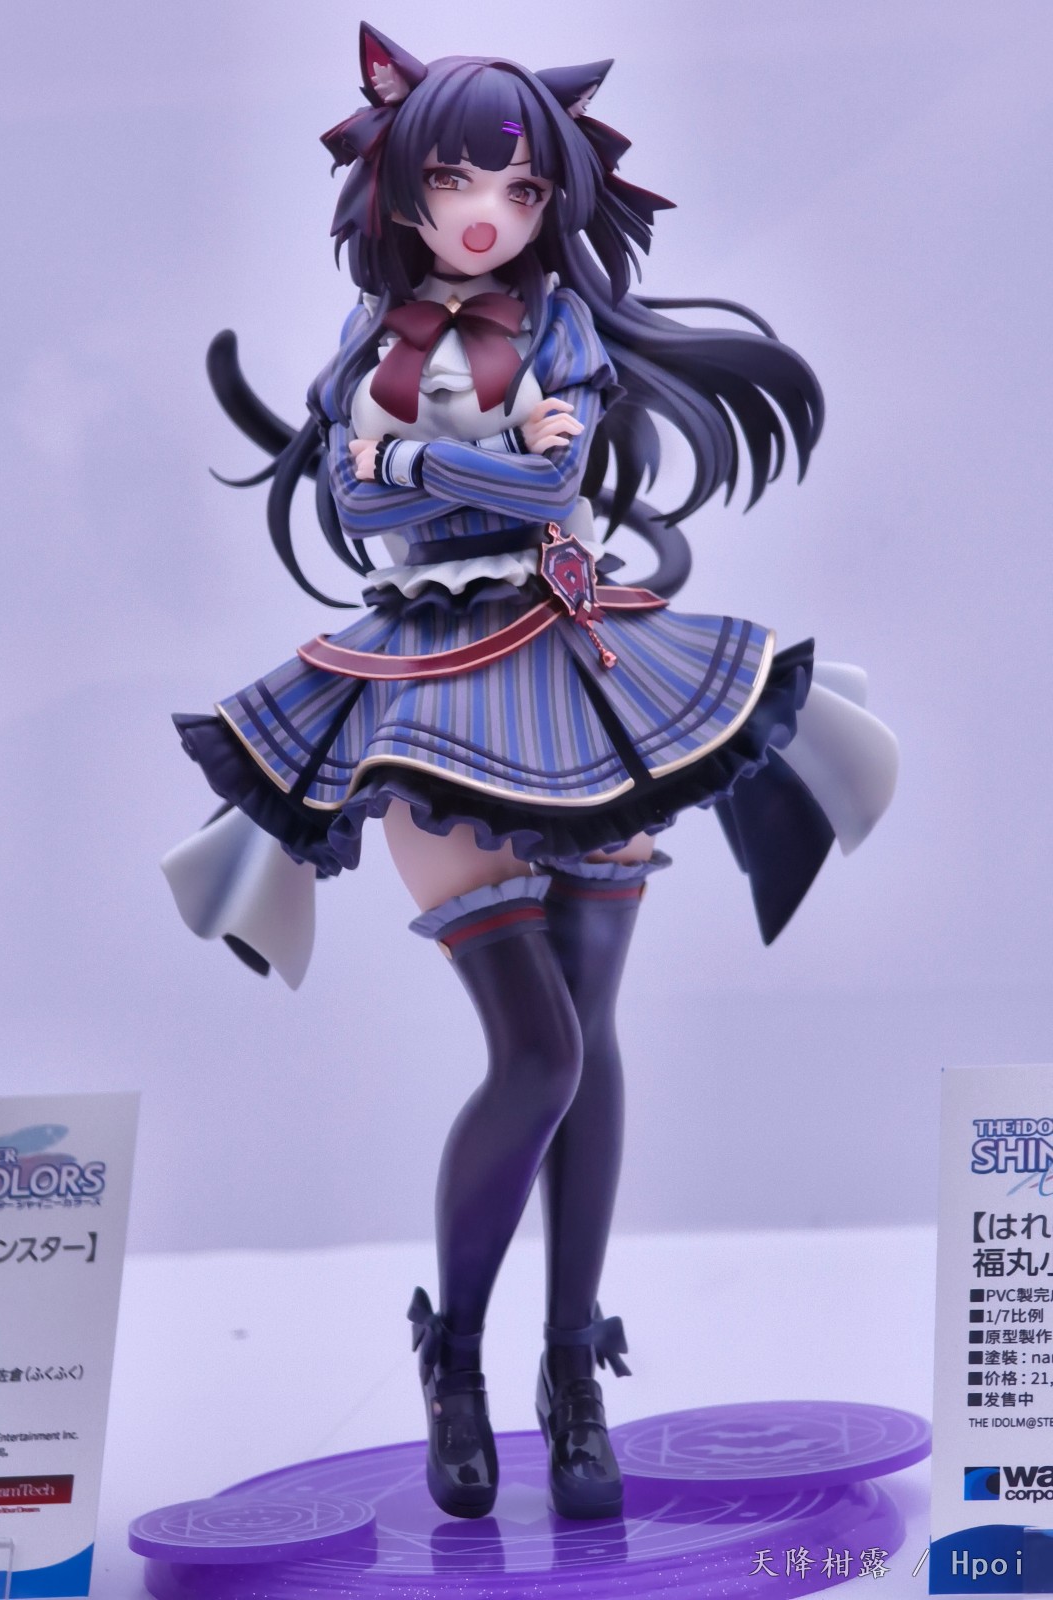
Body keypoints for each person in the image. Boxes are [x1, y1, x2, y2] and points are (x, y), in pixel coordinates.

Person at [169, 24, 897, 1522]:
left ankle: (575, 1371)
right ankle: (457, 1364)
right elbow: (365, 504)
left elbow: (547, 482)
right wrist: (457, 465)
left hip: (584, 676)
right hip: (430, 699)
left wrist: (419, 462)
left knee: (592, 1042)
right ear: (401, 188)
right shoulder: (368, 341)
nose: (486, 211)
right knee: (542, 1053)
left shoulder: (556, 326)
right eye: (455, 180)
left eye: (516, 185)